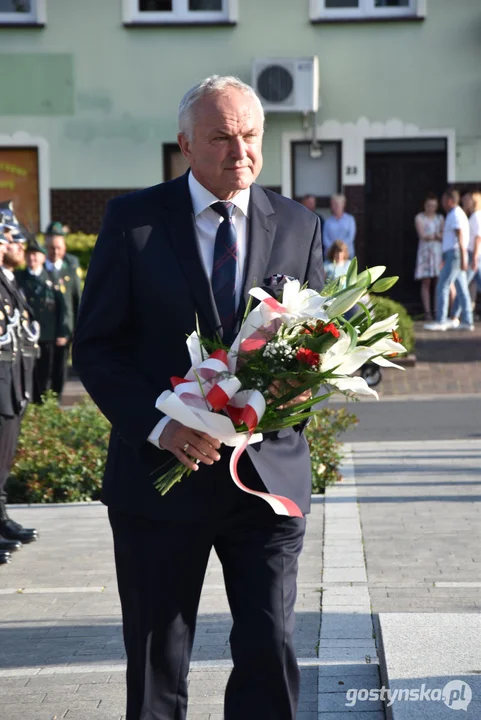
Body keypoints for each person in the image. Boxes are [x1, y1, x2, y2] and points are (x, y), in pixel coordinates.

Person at [73, 75, 324, 720]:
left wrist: (316, 382)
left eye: (250, 136)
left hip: (264, 483)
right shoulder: (134, 223)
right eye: (220, 137)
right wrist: (163, 427)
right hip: (161, 478)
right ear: (185, 144)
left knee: (270, 646)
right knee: (158, 658)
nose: (239, 151)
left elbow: (317, 343)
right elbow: (97, 348)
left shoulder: (298, 224)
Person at [0, 210, 39, 561]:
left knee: (4, 460)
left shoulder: (11, 279)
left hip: (11, 384)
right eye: (11, 239)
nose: (19, 246)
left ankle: (1, 518)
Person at [16, 235, 68, 402]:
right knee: (30, 372)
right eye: (29, 254)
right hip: (26, 336)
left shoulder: (52, 278)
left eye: (36, 255)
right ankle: (33, 401)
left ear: (43, 258)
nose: (32, 258)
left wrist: (62, 331)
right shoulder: (19, 278)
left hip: (48, 334)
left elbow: (63, 308)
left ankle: (48, 403)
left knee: (49, 371)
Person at [425, 188, 473, 331]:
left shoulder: (455, 214)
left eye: (444, 200)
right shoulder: (455, 214)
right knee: (462, 288)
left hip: (455, 254)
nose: (442, 203)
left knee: (442, 286)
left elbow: (460, 235)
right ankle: (467, 321)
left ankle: (440, 320)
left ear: (450, 201)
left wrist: (463, 256)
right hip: (454, 254)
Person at [44, 222, 81, 399]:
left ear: (64, 247)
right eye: (51, 247)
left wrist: (76, 328)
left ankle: (56, 399)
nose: (55, 252)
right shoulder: (38, 267)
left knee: (60, 369)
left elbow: (77, 300)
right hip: (42, 331)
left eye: (58, 247)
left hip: (63, 329)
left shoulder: (71, 268)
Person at [450, 190, 481, 325]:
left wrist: (473, 258)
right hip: (475, 256)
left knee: (462, 286)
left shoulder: (476, 216)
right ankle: (455, 316)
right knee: (463, 286)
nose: (465, 202)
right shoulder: (474, 216)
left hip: (474, 256)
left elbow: (478, 238)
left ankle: (455, 317)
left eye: (468, 199)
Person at [414, 193, 444, 321]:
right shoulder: (419, 218)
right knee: (426, 281)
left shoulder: (440, 218)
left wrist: (434, 236)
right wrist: (436, 235)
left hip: (437, 252)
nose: (431, 208)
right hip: (425, 252)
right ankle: (427, 312)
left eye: (433, 206)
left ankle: (438, 309)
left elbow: (443, 235)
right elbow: (422, 235)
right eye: (429, 205)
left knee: (438, 281)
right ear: (425, 206)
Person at [322, 193, 356, 259]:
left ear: (343, 204)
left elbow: (350, 237)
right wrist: (334, 249)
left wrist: (340, 248)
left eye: (336, 204)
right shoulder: (327, 221)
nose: (334, 207)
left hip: (347, 255)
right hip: (330, 255)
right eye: (332, 204)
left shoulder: (350, 219)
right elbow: (325, 238)